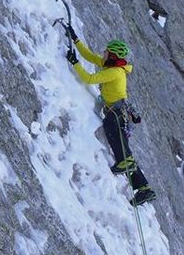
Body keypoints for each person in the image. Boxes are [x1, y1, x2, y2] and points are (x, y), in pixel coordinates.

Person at [64, 25, 156, 207]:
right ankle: (144, 189)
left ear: (112, 56)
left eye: (106, 52)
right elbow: (90, 56)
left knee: (118, 144)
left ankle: (131, 172)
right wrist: (75, 39)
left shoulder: (114, 72)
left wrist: (74, 63)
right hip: (118, 112)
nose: (103, 53)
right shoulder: (112, 67)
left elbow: (89, 79)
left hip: (116, 114)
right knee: (124, 150)